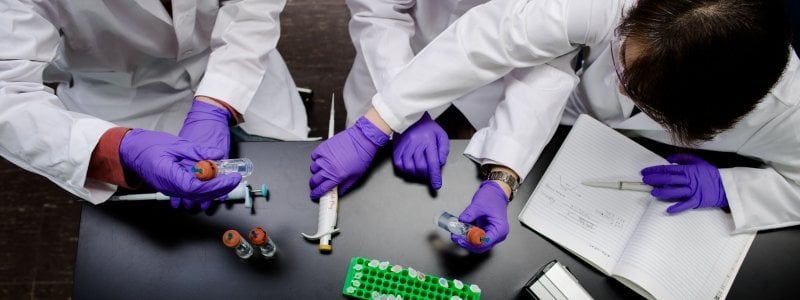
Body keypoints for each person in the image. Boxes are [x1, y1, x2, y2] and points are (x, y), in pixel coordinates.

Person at [309, 0, 796, 253]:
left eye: (641, 95)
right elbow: (508, 48)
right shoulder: (607, 8)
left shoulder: (789, 109)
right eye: (623, 67)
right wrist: (382, 123)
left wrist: (728, 186)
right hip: (561, 124)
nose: (620, 90)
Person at [1, 1, 309, 210]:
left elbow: (252, 7)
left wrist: (220, 98)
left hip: (233, 60)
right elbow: (7, 95)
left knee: (290, 180)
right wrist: (115, 149)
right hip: (117, 97)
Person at [343, 0, 503, 190]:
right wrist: (403, 110)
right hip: (405, 59)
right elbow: (379, 14)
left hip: (498, 86)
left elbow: (536, 40)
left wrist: (508, 164)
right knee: (371, 195)